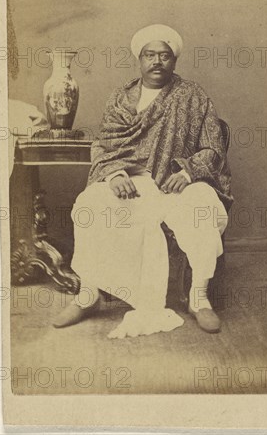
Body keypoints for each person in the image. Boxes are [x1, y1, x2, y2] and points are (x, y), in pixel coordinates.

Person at [53, 24, 233, 338]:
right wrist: (115, 174)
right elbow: (104, 144)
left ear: (174, 60)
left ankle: (199, 296)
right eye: (150, 55)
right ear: (140, 59)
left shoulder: (193, 96)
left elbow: (213, 146)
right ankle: (88, 294)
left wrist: (188, 172)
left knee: (202, 205)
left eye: (164, 55)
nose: (157, 62)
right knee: (90, 203)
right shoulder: (121, 98)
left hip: (178, 181)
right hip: (132, 181)